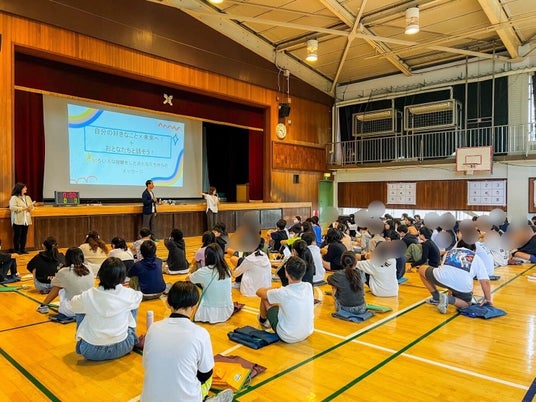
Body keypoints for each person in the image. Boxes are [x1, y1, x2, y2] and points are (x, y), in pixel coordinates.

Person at [141, 281, 234, 402]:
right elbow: (206, 374)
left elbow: (146, 364)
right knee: (206, 374)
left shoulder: (153, 328)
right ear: (194, 307)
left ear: (168, 303)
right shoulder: (200, 333)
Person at [71, 257, 142, 361]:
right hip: (125, 346)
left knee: (80, 309)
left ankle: (81, 343)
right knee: (133, 306)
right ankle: (134, 338)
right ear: (122, 277)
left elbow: (73, 304)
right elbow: (139, 296)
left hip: (91, 352)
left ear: (101, 274)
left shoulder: (89, 295)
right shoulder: (129, 294)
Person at [419, 239, 492, 314]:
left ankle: (436, 297)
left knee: (422, 269)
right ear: (474, 250)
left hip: (442, 278)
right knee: (467, 304)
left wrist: (450, 291)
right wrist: (488, 299)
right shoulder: (476, 257)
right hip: (463, 286)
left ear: (457, 246)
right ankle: (448, 299)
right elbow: (485, 282)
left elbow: (450, 273)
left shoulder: (450, 252)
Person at [256, 256, 314, 343]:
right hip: (307, 332)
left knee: (266, 298)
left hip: (287, 336)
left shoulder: (283, 292)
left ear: (286, 273)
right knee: (280, 303)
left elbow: (259, 292)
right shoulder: (308, 286)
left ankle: (263, 320)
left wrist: (272, 288)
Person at [37, 247, 94, 317]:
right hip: (90, 307)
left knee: (61, 288)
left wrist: (44, 303)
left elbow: (55, 287)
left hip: (73, 310)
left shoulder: (64, 271)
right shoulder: (89, 267)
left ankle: (44, 305)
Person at [188, 243, 233, 323]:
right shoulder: (227, 269)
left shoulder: (204, 271)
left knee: (191, 285)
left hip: (208, 313)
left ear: (206, 257)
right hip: (227, 311)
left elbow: (188, 279)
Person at [9, 182, 34, 254]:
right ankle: (17, 250)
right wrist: (23, 208)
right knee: (17, 235)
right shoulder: (14, 198)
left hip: (26, 219)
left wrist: (30, 208)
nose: (26, 189)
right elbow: (12, 207)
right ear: (20, 189)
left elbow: (32, 207)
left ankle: (23, 249)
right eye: (24, 188)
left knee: (24, 235)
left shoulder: (27, 197)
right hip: (17, 219)